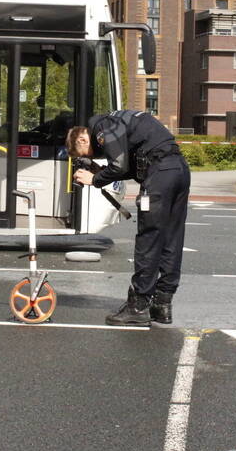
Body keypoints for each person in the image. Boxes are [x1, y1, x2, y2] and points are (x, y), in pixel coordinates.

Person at [67, 110, 191, 326]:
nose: (91, 156)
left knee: (149, 239)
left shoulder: (102, 127)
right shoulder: (123, 121)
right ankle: (162, 303)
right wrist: (101, 173)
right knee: (172, 237)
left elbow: (120, 165)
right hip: (178, 170)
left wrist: (95, 179)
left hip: (160, 176)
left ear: (83, 138)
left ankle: (138, 305)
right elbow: (133, 165)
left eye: (85, 153)